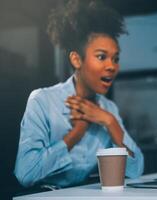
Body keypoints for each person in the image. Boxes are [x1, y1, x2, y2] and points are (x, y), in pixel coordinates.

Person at [14, 0, 144, 188]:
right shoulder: (43, 101)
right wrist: (75, 134)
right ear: (76, 59)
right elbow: (25, 174)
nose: (112, 66)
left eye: (116, 58)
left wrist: (110, 122)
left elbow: (136, 170)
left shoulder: (108, 109)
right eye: (101, 57)